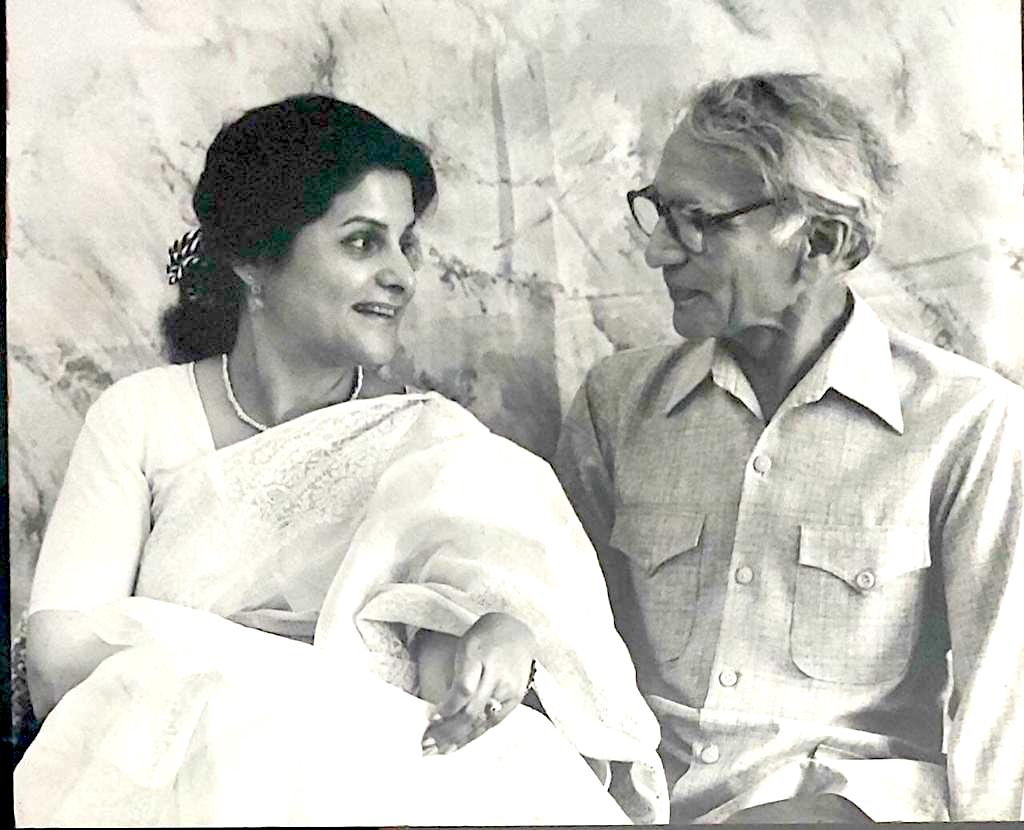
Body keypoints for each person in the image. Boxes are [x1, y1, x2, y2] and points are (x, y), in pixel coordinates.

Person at [15, 95, 668, 827]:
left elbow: (457, 691)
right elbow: (58, 667)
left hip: (384, 793)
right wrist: (263, 675)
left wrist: (505, 640)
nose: (402, 276)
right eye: (362, 243)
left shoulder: (436, 448)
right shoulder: (143, 419)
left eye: (405, 245)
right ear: (254, 262)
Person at [554, 73, 1023, 823]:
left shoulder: (969, 424)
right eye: (660, 213)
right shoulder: (615, 404)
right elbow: (562, 642)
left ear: (821, 243)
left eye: (699, 221)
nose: (659, 252)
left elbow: (1005, 723)